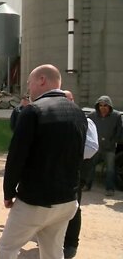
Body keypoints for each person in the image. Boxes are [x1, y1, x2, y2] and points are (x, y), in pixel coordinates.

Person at [0, 64, 87, 259]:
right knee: (53, 252)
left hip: (36, 201)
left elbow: (16, 157)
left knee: (7, 249)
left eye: (29, 83)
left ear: (42, 80)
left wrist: (8, 192)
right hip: (68, 201)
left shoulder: (33, 111)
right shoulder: (78, 113)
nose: (28, 88)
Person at [62, 90, 99, 259]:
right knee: (52, 206)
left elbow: (91, 148)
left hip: (74, 171)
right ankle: (53, 239)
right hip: (52, 172)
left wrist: (67, 153)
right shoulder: (53, 120)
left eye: (68, 99)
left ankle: (70, 244)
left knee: (73, 208)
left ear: (73, 100)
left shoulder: (86, 121)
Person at [84, 95, 122, 196]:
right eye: (101, 105)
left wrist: (112, 142)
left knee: (110, 169)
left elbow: (118, 132)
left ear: (109, 106)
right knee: (90, 167)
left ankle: (110, 189)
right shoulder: (92, 116)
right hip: (96, 147)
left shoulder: (116, 116)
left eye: (105, 105)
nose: (103, 108)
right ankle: (87, 185)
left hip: (109, 148)